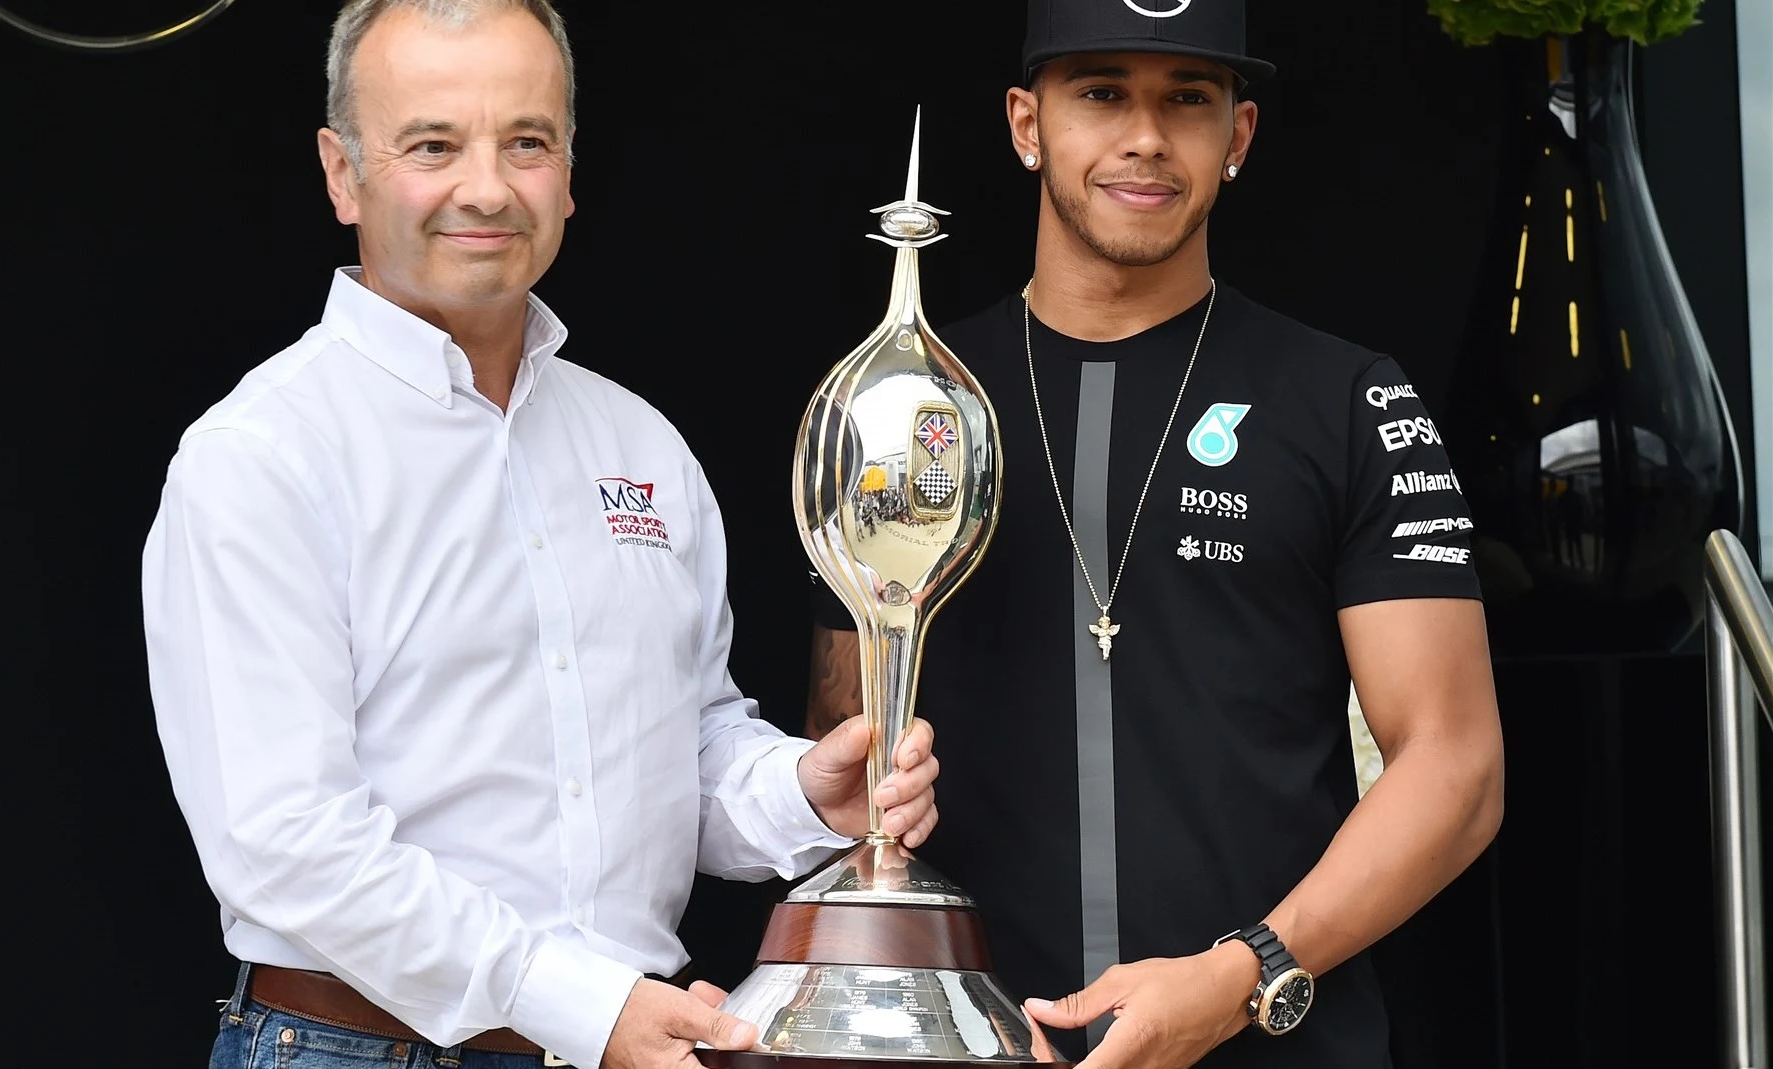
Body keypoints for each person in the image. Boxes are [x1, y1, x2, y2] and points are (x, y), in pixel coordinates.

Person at [139, 4, 942, 1069]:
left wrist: (803, 793)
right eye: (432, 145)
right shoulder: (263, 457)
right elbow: (285, 843)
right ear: (343, 175)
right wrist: (579, 1005)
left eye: (527, 141)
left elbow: (685, 749)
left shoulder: (640, 443)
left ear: (568, 171)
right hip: (355, 1049)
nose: (486, 187)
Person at [804, 2, 1505, 1067]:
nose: (1144, 136)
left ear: (1240, 135)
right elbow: (844, 746)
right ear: (1025, 123)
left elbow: (1454, 770)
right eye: (1100, 92)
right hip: (971, 1044)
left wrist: (1241, 974)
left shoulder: (1349, 399)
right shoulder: (907, 406)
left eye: (1187, 98)